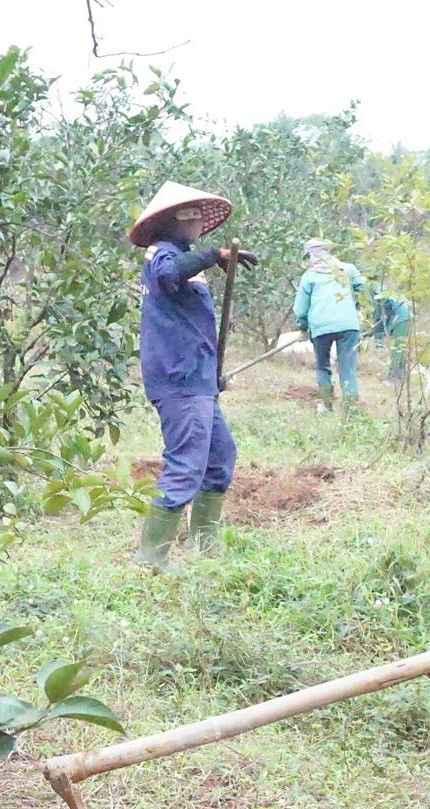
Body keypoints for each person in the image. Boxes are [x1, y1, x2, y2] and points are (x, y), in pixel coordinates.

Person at [128, 181, 258, 571]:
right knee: (185, 464)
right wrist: (212, 254)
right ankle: (151, 560)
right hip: (179, 380)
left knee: (219, 459)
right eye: (193, 219)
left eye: (201, 220)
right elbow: (170, 274)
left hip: (197, 379)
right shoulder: (162, 254)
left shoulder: (186, 260)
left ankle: (205, 546)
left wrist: (211, 374)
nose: (199, 225)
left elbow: (190, 324)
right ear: (174, 222)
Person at [292, 238, 364, 412]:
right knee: (347, 367)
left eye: (307, 257)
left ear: (311, 255)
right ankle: (351, 408)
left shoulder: (309, 277)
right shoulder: (348, 269)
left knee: (322, 366)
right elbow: (364, 288)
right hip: (348, 325)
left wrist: (302, 328)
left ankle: (326, 405)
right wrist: (357, 307)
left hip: (320, 327)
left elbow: (301, 309)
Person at [368, 283, 413, 384]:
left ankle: (394, 379)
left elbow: (380, 318)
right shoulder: (390, 295)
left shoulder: (381, 299)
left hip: (400, 318)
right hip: (406, 316)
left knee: (397, 348)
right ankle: (401, 376)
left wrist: (378, 338)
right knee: (402, 348)